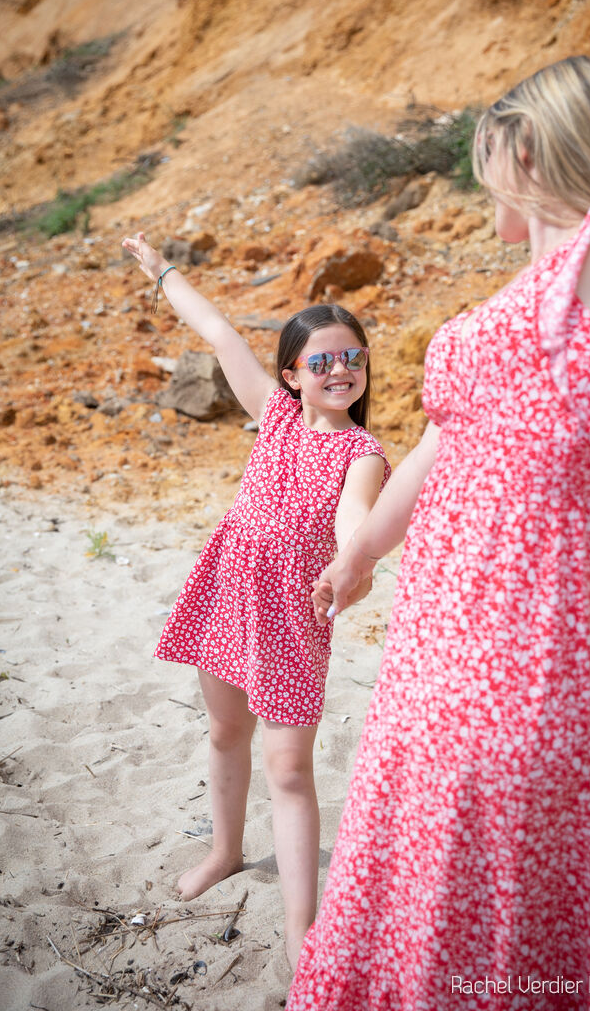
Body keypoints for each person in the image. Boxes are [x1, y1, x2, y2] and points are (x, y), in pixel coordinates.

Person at [287, 0, 590, 1011]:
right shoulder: (519, 295)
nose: (484, 185)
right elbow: (448, 442)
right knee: (404, 872)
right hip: (438, 634)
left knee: (484, 903)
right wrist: (360, 548)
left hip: (527, 635)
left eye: (489, 158)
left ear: (525, 147)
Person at [121, 232, 390, 969]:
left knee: (291, 771)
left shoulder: (362, 454)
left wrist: (351, 562)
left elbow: (355, 517)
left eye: (353, 357)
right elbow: (216, 330)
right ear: (292, 376)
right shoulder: (273, 415)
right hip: (227, 596)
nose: (340, 370)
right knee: (223, 734)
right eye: (322, 361)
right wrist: (162, 272)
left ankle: (303, 927)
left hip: (290, 620)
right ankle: (226, 851)